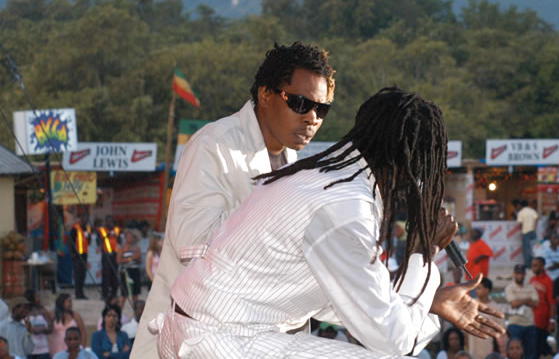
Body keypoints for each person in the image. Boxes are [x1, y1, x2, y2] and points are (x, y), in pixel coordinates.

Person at [152, 88, 505, 358]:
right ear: (410, 167)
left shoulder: (327, 178)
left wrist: (429, 301)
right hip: (222, 341)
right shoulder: (345, 208)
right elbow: (394, 341)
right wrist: (423, 251)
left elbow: (361, 302)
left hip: (211, 331)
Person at [132, 41, 336, 358]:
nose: (312, 117)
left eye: (321, 109)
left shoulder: (296, 164)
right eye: (300, 103)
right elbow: (194, 243)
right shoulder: (214, 145)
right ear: (266, 94)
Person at [505, 264, 539, 359]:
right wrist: (528, 299)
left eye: (522, 273)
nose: (520, 275)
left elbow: (536, 303)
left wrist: (520, 300)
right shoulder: (510, 287)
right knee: (514, 352)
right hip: (515, 323)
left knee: (530, 354)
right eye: (518, 273)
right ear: (514, 274)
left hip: (529, 324)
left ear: (525, 274)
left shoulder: (530, 287)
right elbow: (514, 303)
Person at [467, 278, 506, 359]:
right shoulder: (471, 304)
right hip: (472, 350)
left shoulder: (496, 308)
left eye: (479, 288)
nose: (476, 291)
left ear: (487, 290)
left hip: (488, 351)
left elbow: (501, 331)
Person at [529, 257, 555, 358]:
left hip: (542, 321)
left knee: (536, 350)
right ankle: (552, 352)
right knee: (535, 348)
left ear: (542, 266)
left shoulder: (548, 281)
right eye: (532, 265)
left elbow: (552, 303)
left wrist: (552, 321)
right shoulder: (532, 280)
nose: (533, 268)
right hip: (531, 319)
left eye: (536, 265)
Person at [117, 230, 142, 308]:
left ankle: (136, 310)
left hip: (135, 270)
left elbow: (140, 261)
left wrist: (136, 258)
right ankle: (120, 310)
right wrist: (130, 258)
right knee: (124, 293)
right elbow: (118, 260)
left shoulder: (137, 248)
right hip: (126, 271)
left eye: (131, 237)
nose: (129, 239)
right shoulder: (122, 248)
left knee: (135, 293)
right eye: (128, 237)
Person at [24, 289, 52, 359]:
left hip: (43, 350)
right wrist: (31, 329)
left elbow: (51, 328)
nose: (39, 299)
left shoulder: (43, 310)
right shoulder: (24, 312)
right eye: (36, 296)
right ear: (31, 298)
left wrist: (43, 329)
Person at [69, 216, 92, 300]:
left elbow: (89, 241)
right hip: (77, 254)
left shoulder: (87, 229)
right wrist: (72, 252)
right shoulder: (75, 228)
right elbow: (71, 240)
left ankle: (81, 292)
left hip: (84, 254)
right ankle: (77, 293)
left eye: (87, 220)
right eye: (84, 220)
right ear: (81, 220)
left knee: (83, 274)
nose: (85, 222)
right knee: (78, 274)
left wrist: (88, 235)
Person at [97, 219, 120, 301]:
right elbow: (98, 241)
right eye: (108, 222)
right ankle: (105, 294)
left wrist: (115, 235)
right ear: (105, 222)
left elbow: (119, 240)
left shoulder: (116, 230)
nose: (110, 224)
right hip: (106, 255)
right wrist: (107, 235)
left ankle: (114, 293)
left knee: (114, 275)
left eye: (111, 222)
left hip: (115, 255)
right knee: (106, 275)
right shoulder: (102, 230)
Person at [517, 200, 538, 268]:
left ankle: (527, 264)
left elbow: (521, 224)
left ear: (521, 205)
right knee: (533, 249)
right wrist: (535, 229)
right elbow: (536, 219)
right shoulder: (532, 211)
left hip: (525, 232)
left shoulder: (521, 212)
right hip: (532, 232)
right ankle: (534, 264)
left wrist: (521, 232)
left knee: (526, 249)